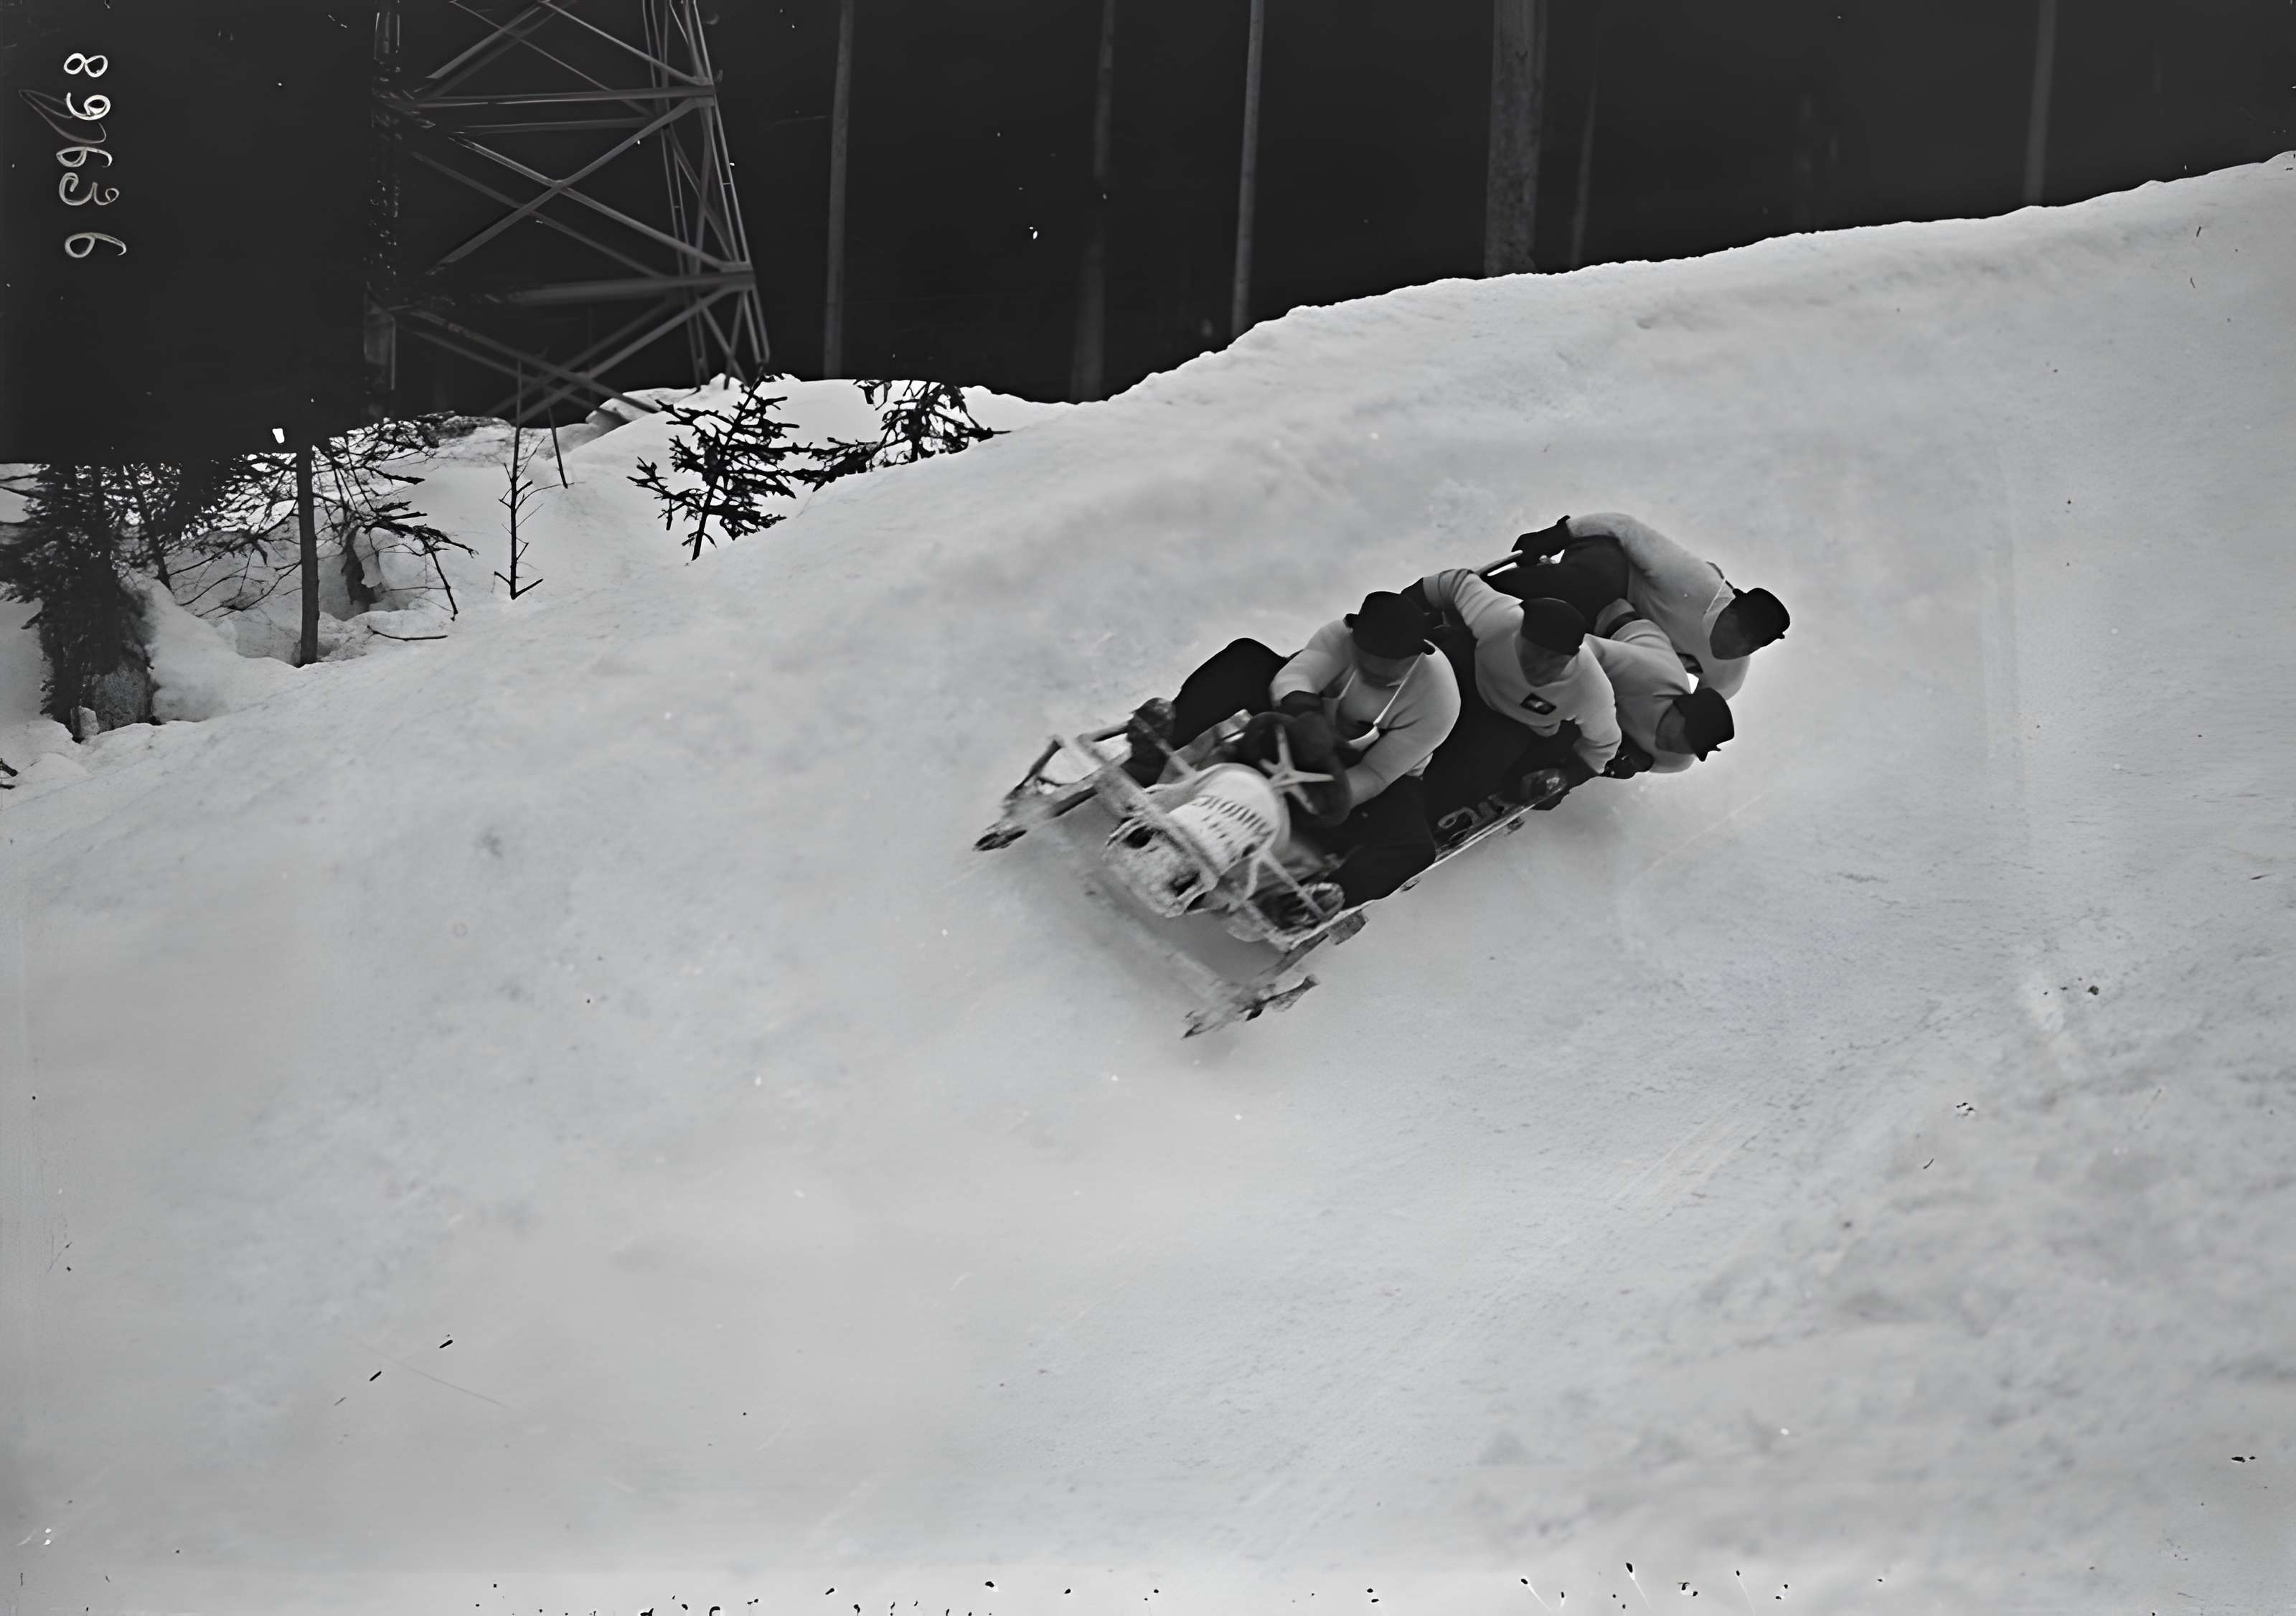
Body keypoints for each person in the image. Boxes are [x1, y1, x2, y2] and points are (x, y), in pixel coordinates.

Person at [1122, 590, 1461, 921]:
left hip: (1366, 774)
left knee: (1414, 848)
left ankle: (1309, 902)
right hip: (1298, 731)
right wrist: (1304, 715)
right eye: (1368, 658)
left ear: (1417, 655)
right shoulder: (1338, 636)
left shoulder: (1440, 700)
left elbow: (1376, 775)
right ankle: (1151, 757)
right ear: (1355, 635)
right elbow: (1294, 677)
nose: (1375, 671)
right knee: (1246, 658)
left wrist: (1324, 798)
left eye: (1389, 670)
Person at [1403, 568, 1621, 830]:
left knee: (1463, 783)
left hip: (1509, 726)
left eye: (1554, 661)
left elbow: (1605, 745)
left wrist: (1566, 776)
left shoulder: (1591, 688)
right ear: (1520, 634)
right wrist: (1400, 616)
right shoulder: (1501, 618)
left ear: (1574, 656)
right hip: (1468, 682)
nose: (1540, 668)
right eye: (1534, 653)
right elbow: (1453, 582)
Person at [1500, 511, 1789, 699]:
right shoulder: (1693, 580)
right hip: (1611, 564)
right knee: (1593, 588)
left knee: (1635, 678)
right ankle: (1488, 590)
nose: (1736, 648)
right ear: (1730, 609)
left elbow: (1694, 716)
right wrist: (1556, 535)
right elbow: (1624, 526)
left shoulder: (1730, 674)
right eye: (1738, 633)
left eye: (1750, 646)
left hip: (1622, 624)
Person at [1585, 612, 1735, 775]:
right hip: (1616, 629)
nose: (1681, 749)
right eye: (1688, 737)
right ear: (1680, 710)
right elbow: (1583, 650)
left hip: (1617, 689)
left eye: (1695, 748)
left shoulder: (1677, 760)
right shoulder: (1643, 675)